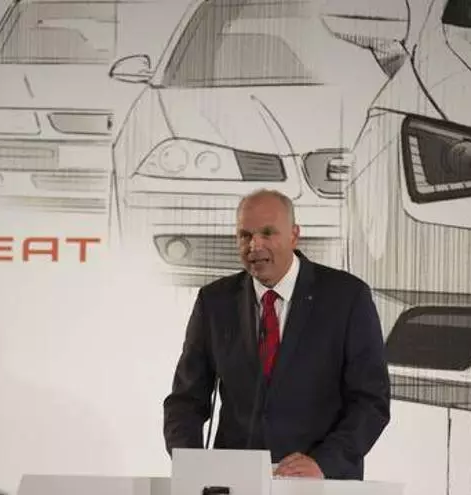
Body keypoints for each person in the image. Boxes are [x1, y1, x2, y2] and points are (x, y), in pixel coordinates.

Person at [162, 188, 391, 480]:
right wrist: (192, 464)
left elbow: (371, 401)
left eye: (268, 233)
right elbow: (185, 401)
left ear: (294, 235)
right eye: (245, 235)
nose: (254, 245)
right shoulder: (214, 301)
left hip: (321, 483)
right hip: (234, 481)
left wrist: (324, 462)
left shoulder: (347, 297)